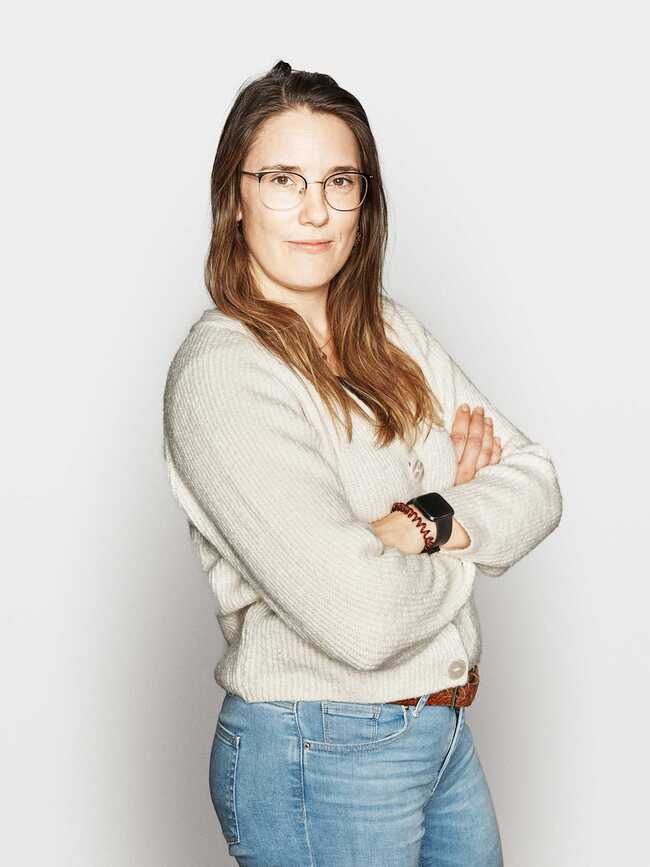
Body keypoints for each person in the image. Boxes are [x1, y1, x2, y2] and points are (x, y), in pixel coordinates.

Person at [162, 59, 563, 867]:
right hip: (320, 747)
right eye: (283, 180)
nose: (316, 210)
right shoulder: (225, 374)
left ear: (364, 200)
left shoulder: (389, 331)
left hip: (441, 728)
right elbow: (363, 621)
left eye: (340, 182)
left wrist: (421, 520)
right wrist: (467, 522)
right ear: (234, 198)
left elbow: (538, 482)